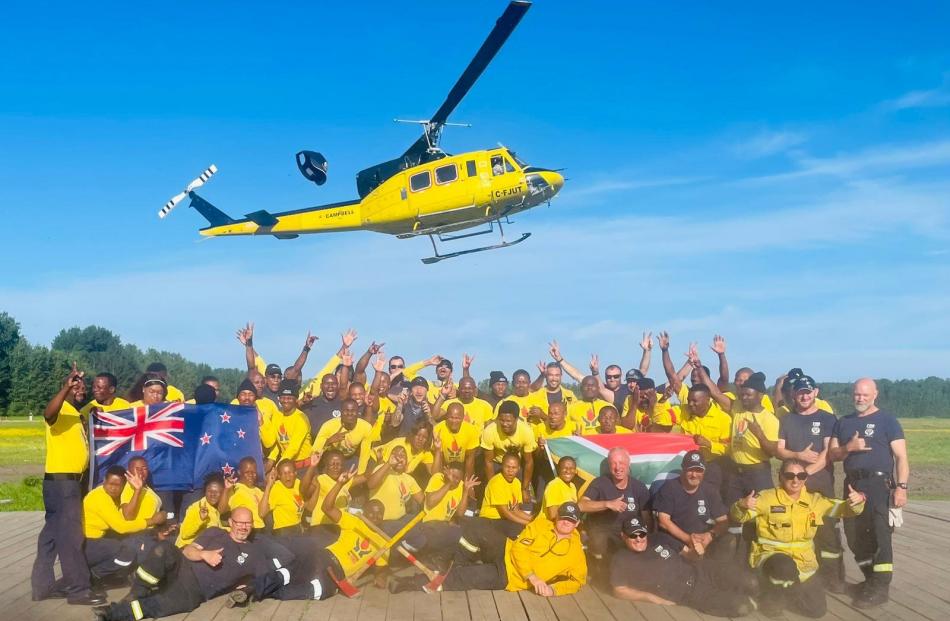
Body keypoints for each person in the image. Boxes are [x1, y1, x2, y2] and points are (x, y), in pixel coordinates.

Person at [92, 507, 293, 621]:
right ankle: (136, 592)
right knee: (164, 549)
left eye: (247, 523)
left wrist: (246, 590)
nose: (243, 527)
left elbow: (262, 581)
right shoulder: (215, 532)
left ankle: (112, 614)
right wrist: (204, 554)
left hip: (195, 590)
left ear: (252, 525)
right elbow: (187, 551)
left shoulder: (255, 553)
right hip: (182, 567)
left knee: (156, 606)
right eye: (239, 522)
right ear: (230, 522)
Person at [731, 459, 866, 619]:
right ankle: (771, 598)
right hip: (772, 557)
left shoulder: (815, 500)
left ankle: (783, 594)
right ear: (780, 476)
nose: (795, 480)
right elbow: (740, 516)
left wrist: (857, 502)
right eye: (790, 475)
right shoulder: (766, 498)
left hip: (803, 563)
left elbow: (843, 509)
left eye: (801, 475)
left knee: (817, 610)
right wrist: (741, 505)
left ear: (805, 478)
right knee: (784, 567)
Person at [829, 378, 909, 608]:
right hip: (853, 485)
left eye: (865, 395)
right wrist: (848, 448)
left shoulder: (887, 421)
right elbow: (833, 454)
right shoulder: (843, 422)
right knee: (854, 536)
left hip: (879, 486)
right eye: (857, 394)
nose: (860, 398)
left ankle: (880, 587)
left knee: (880, 537)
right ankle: (869, 580)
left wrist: (901, 488)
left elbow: (902, 457)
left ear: (875, 395)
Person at [392, 502, 587, 596]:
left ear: (577, 523)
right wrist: (533, 576)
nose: (565, 523)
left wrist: (553, 590)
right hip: (506, 551)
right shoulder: (542, 525)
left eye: (570, 520)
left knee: (466, 578)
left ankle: (413, 582)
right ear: (557, 517)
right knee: (477, 528)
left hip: (509, 577)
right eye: (562, 518)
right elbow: (519, 548)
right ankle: (449, 565)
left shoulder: (576, 553)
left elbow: (577, 581)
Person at [31, 363, 105, 606]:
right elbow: (48, 413)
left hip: (63, 484)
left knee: (51, 535)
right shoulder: (60, 409)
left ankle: (42, 587)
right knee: (72, 537)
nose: (81, 389)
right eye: (76, 386)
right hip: (63, 483)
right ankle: (78, 590)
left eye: (83, 386)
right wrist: (66, 387)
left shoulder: (77, 414)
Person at [609, 516, 756, 617]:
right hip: (688, 593)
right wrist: (653, 599)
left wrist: (695, 553)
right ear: (623, 536)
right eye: (633, 535)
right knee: (742, 606)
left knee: (750, 582)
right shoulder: (621, 559)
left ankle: (768, 598)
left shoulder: (659, 538)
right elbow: (619, 590)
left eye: (641, 533)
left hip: (701, 571)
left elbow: (687, 555)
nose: (639, 539)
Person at [775, 375, 844, 591]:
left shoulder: (828, 418)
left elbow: (827, 453)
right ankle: (799, 576)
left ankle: (833, 579)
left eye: (808, 392)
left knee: (827, 534)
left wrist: (803, 474)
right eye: (800, 392)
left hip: (820, 484)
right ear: (794, 395)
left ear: (815, 392)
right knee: (793, 530)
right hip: (791, 486)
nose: (804, 396)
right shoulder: (787, 419)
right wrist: (797, 458)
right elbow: (780, 450)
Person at [83, 466, 165, 582]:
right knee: (127, 553)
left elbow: (126, 518)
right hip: (88, 543)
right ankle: (92, 576)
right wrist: (151, 521)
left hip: (100, 540)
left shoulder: (115, 497)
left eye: (117, 486)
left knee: (131, 545)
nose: (113, 488)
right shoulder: (99, 497)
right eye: (110, 484)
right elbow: (121, 527)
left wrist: (137, 490)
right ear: (104, 481)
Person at [578, 447, 652, 564]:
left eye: (621, 463)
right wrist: (607, 504)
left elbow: (647, 519)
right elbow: (581, 505)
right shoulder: (600, 483)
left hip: (630, 534)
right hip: (604, 535)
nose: (618, 467)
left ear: (628, 464)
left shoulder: (639, 487)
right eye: (613, 463)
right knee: (599, 540)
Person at [401, 462, 479, 568]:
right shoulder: (438, 478)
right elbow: (430, 503)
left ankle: (442, 562)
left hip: (443, 526)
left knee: (462, 527)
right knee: (456, 533)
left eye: (457, 478)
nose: (454, 480)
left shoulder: (461, 486)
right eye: (452, 476)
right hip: (428, 525)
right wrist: (448, 484)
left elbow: (460, 513)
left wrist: (465, 491)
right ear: (446, 472)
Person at [653, 451, 728, 557]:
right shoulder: (670, 488)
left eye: (698, 470)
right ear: (683, 469)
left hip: (702, 538)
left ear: (704, 471)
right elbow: (663, 521)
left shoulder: (710, 490)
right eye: (690, 470)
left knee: (728, 540)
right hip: (675, 539)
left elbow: (723, 521)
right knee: (661, 540)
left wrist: (709, 536)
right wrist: (688, 540)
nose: (694, 475)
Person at [679, 359, 731, 490]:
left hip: (714, 466)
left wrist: (709, 444)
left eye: (695, 401)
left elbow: (730, 449)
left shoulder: (723, 419)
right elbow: (663, 418)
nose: (691, 404)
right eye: (689, 401)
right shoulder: (685, 412)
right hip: (690, 467)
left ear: (707, 400)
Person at [480, 400, 537, 497]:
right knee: (492, 494)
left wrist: (525, 488)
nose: (505, 424)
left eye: (508, 421)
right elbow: (488, 461)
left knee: (522, 497)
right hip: (496, 463)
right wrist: (492, 486)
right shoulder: (489, 431)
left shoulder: (526, 431)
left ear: (516, 419)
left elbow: (528, 462)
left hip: (516, 464)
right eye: (501, 420)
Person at [311, 398, 373, 473]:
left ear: (358, 412)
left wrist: (360, 474)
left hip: (349, 459)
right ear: (341, 412)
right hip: (329, 460)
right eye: (346, 411)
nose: (350, 413)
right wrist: (329, 441)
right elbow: (315, 451)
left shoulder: (366, 427)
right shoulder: (328, 425)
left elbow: (364, 455)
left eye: (353, 411)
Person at [272, 380, 313, 474]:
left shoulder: (301, 418)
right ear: (279, 398)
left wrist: (278, 467)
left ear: (296, 399)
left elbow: (293, 448)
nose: (286, 400)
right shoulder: (277, 416)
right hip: (285, 465)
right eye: (283, 397)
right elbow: (273, 442)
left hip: (303, 467)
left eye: (290, 398)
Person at [176, 474, 227, 547]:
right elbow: (185, 534)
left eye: (217, 492)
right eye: (210, 491)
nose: (213, 494)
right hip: (188, 549)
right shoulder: (197, 508)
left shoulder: (220, 508)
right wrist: (200, 519)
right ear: (205, 492)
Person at [432, 402, 479, 479]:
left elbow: (470, 460)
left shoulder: (471, 430)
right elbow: (439, 458)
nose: (454, 421)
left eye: (457, 418)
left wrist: (467, 483)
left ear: (463, 417)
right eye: (451, 417)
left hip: (463, 465)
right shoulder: (438, 429)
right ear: (446, 416)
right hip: (445, 465)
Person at [261, 460, 306, 535]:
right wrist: (268, 486)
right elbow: (262, 513)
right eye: (284, 474)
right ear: (279, 476)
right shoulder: (276, 488)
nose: (287, 477)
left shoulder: (298, 484)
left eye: (290, 473)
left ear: (295, 473)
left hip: (299, 528)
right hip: (284, 532)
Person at [227, 457, 266, 529]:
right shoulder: (234, 488)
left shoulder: (258, 491)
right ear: (239, 472)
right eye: (247, 472)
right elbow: (221, 510)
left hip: (260, 529)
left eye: (253, 472)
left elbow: (263, 513)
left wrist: (269, 486)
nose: (251, 475)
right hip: (243, 529)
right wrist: (226, 489)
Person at [536, 456, 578, 522]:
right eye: (565, 468)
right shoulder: (554, 485)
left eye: (571, 468)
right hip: (549, 526)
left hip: (564, 525)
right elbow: (553, 515)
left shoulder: (573, 486)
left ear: (576, 471)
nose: (568, 471)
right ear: (558, 469)